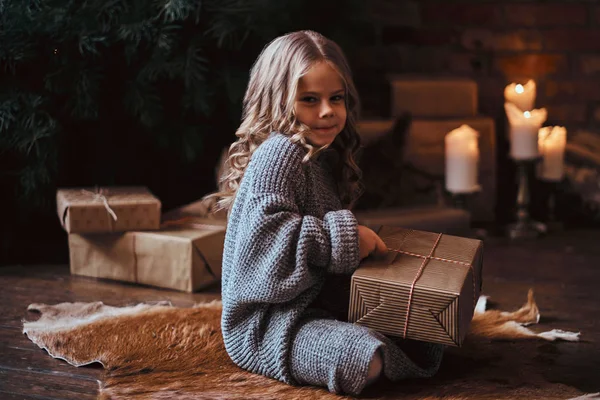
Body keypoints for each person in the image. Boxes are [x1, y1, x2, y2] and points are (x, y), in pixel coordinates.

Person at [207, 30, 444, 396]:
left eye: (336, 98)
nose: (327, 111)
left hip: (315, 306)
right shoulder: (280, 154)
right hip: (270, 325)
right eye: (309, 100)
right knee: (365, 359)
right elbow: (265, 251)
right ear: (278, 101)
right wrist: (344, 238)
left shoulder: (321, 157)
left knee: (425, 331)